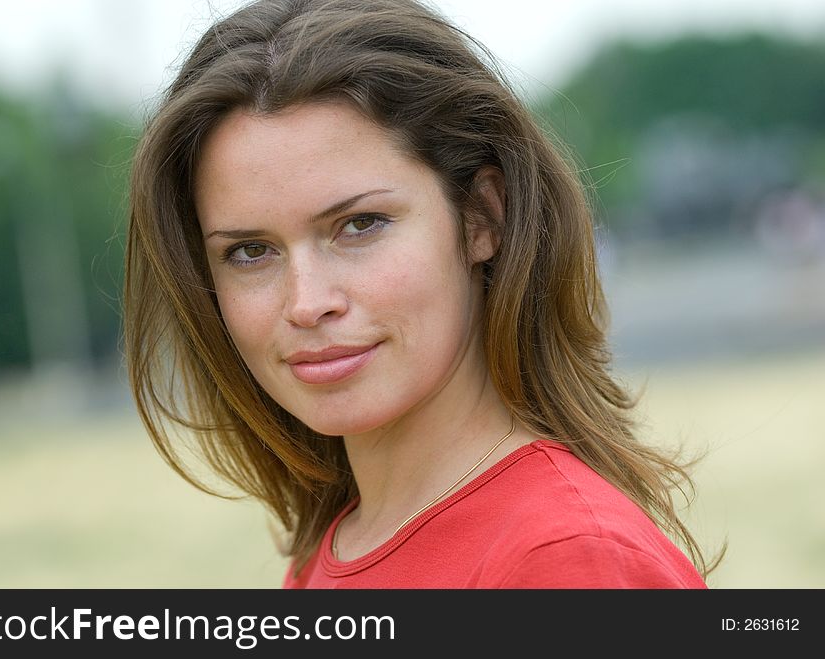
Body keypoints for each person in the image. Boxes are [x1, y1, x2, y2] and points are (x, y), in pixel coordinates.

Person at [123, 0, 723, 588]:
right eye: (250, 251)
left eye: (359, 225)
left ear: (481, 217)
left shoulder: (565, 562)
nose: (306, 303)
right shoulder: (335, 548)